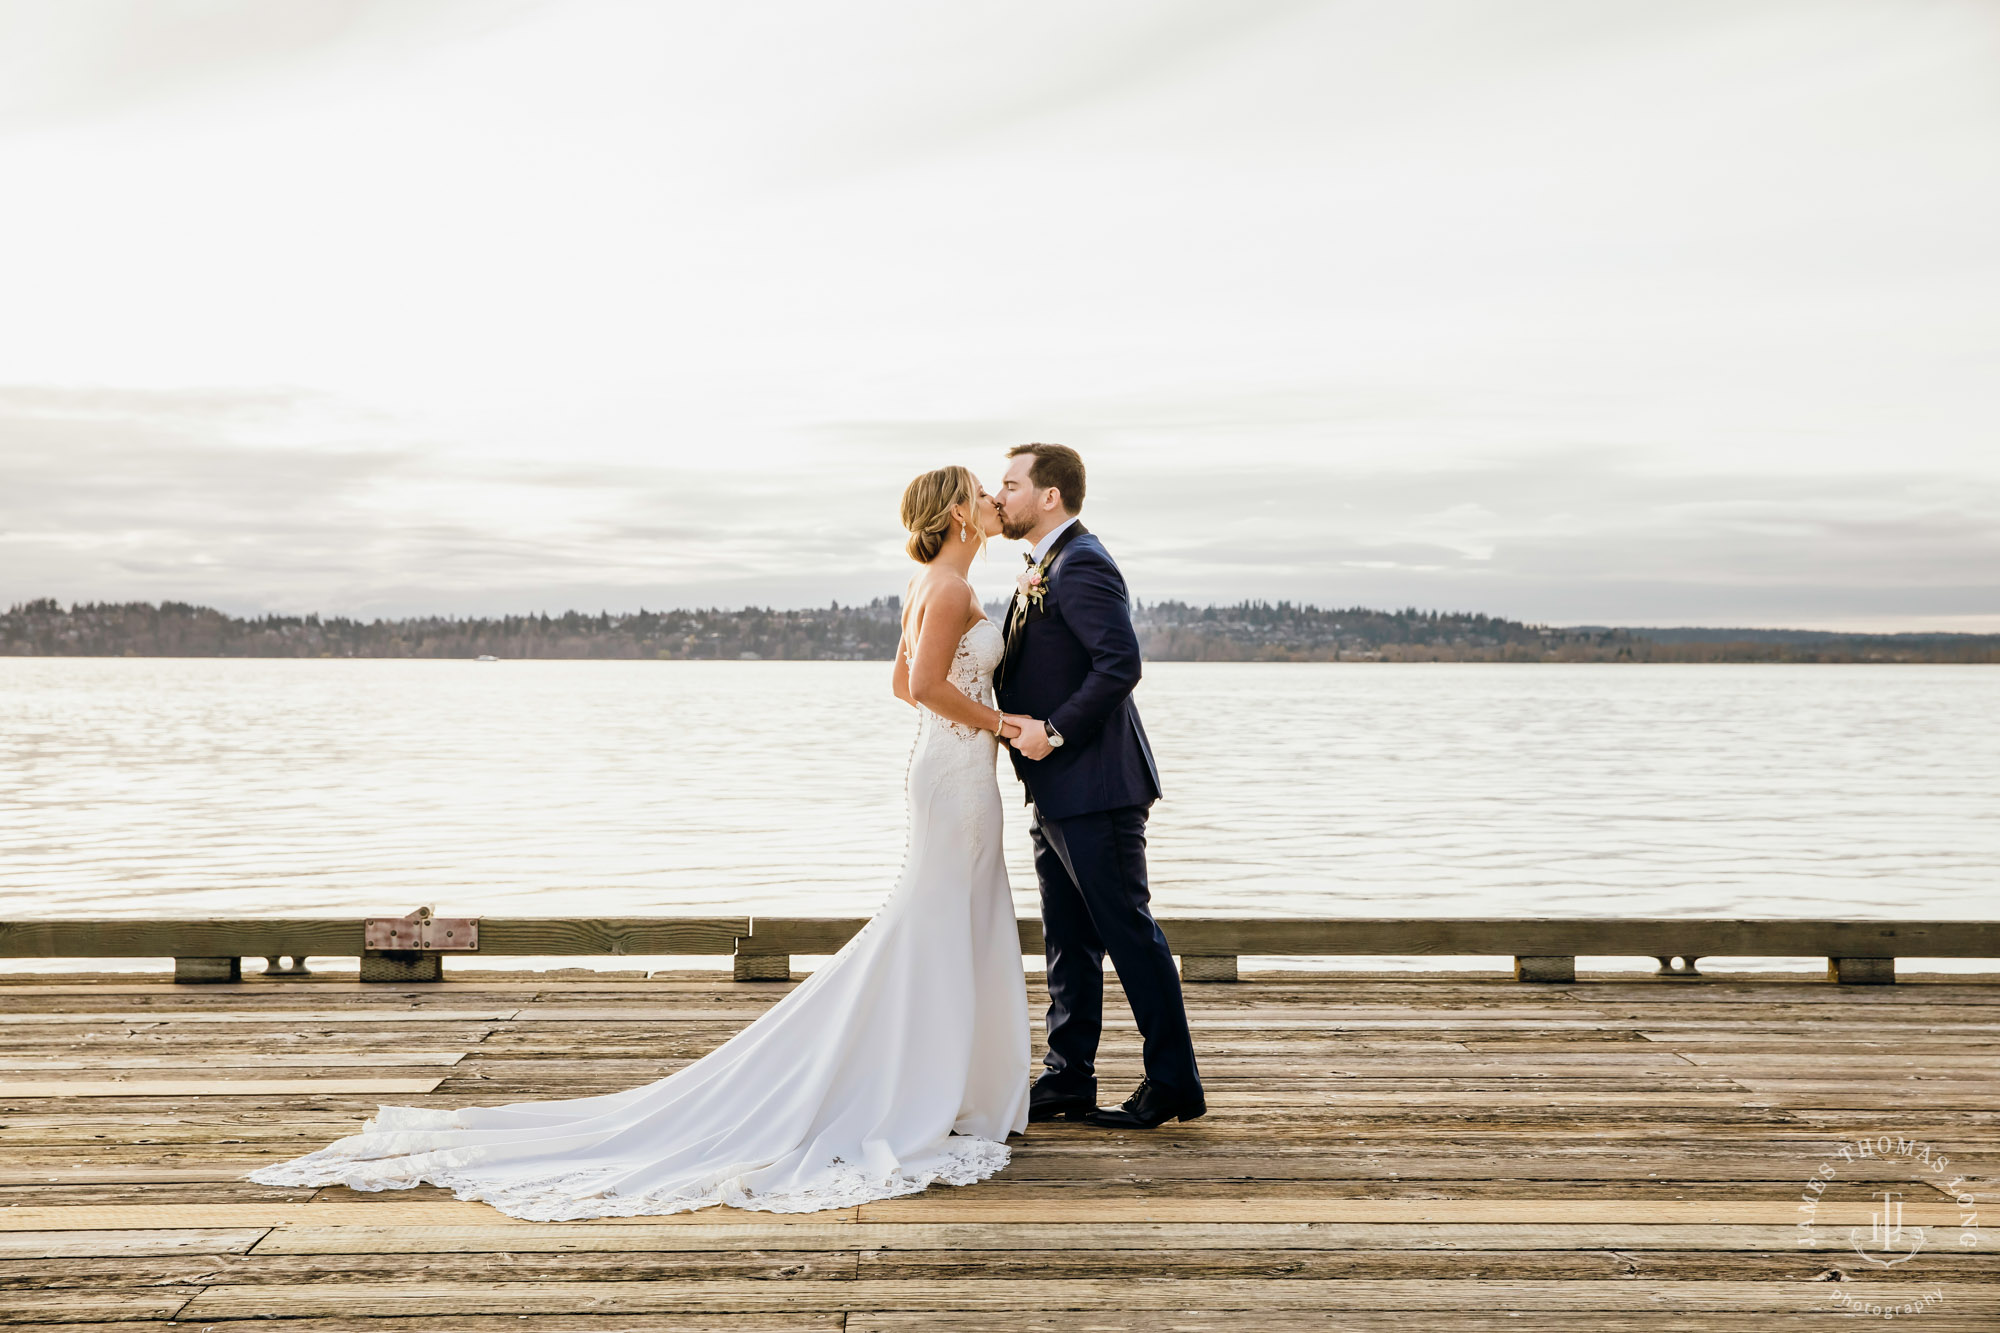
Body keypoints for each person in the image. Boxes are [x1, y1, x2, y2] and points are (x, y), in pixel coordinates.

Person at [246, 465, 1032, 1220]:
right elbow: (925, 687)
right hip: (959, 774)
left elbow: (905, 688)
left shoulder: (928, 584)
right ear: (959, 513)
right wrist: (1002, 723)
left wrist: (970, 712)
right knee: (933, 922)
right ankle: (927, 1087)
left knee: (938, 920)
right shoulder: (954, 585)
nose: (996, 500)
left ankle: (933, 1076)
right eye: (981, 494)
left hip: (945, 766)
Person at [993, 443, 1204, 1129]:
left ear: (1048, 495)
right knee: (1068, 936)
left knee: (1129, 933)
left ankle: (1172, 1081)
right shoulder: (1045, 564)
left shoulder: (1081, 563)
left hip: (1097, 785)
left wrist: (1050, 731)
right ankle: (1068, 1075)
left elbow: (1120, 665)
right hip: (1056, 788)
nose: (1001, 496)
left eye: (1011, 484)